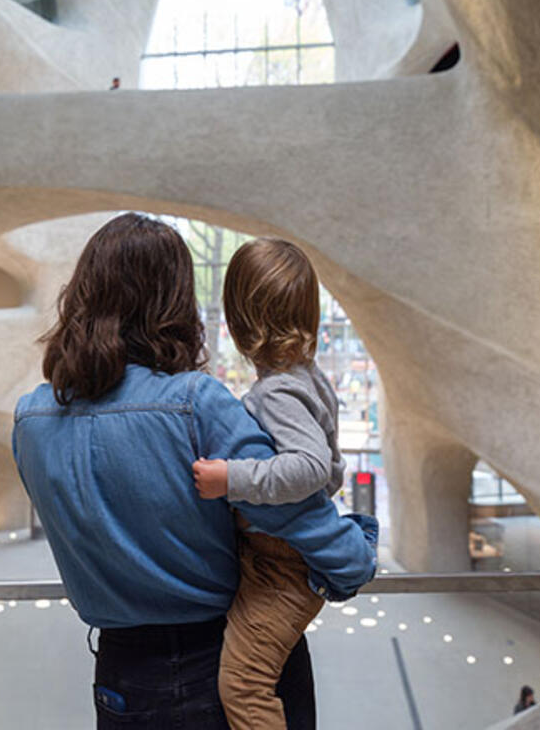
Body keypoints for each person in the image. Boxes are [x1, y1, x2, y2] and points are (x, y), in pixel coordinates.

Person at [12, 213, 377, 729]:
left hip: (122, 673)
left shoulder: (31, 419)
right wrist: (354, 559)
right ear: (174, 303)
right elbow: (296, 515)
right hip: (223, 659)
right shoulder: (193, 404)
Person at [191, 237, 355, 730]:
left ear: (240, 322)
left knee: (243, 684)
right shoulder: (307, 377)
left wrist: (231, 479)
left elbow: (312, 467)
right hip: (283, 563)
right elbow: (336, 468)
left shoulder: (279, 390)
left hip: (281, 569)